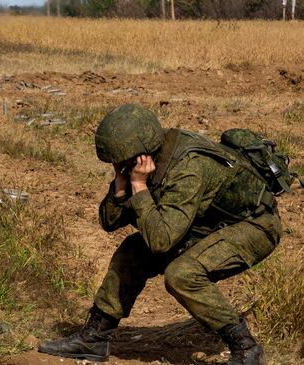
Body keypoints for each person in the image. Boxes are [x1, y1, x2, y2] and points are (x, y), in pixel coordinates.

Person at [38, 104, 280, 365]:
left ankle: (247, 350)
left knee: (183, 274)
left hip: (254, 226)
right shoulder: (149, 158)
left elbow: (161, 241)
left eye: (122, 163)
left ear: (139, 153)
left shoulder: (187, 168)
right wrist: (120, 191)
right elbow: (108, 223)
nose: (119, 167)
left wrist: (139, 187)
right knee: (133, 250)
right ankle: (94, 338)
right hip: (208, 223)